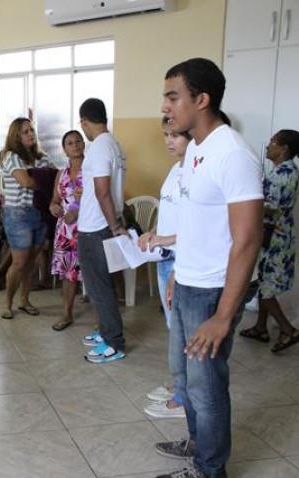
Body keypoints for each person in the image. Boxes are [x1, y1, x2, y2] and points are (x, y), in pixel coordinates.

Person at [155, 58, 263, 478]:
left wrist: (222, 316)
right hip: (190, 281)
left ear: (202, 100)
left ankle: (209, 470)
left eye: (172, 96)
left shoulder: (234, 154)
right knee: (186, 379)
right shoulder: (196, 147)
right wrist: (179, 274)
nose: (165, 106)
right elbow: (195, 222)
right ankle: (198, 446)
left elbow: (248, 239)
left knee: (206, 385)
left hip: (215, 291)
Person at [138, 118, 191, 420]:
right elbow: (170, 212)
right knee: (175, 329)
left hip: (180, 259)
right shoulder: (175, 169)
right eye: (166, 136)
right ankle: (179, 387)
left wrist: (166, 239)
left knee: (182, 334)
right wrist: (153, 232)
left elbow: (195, 227)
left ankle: (184, 398)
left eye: (176, 136)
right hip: (166, 256)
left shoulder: (195, 173)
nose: (169, 141)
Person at [76, 98, 128, 363]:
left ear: (84, 121)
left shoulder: (98, 147)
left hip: (96, 227)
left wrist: (115, 226)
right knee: (101, 285)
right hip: (104, 223)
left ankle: (113, 343)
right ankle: (105, 330)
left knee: (99, 287)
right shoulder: (114, 144)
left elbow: (102, 190)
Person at [239, 129, 299, 352]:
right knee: (265, 283)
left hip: (273, 237)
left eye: (273, 142)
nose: (268, 146)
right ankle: (260, 327)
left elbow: (270, 210)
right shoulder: (279, 171)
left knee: (265, 288)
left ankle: (288, 329)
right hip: (273, 235)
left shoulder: (285, 174)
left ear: (284, 149)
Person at [0, 117, 50, 319]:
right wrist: (46, 181)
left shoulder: (42, 157)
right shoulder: (10, 156)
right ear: (16, 136)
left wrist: (49, 181)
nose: (31, 134)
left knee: (30, 262)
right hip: (18, 214)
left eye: (32, 130)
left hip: (39, 213)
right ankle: (7, 304)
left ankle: (24, 301)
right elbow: (26, 181)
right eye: (25, 131)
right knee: (19, 263)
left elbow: (56, 178)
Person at [49, 130, 85, 331]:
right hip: (65, 231)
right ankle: (67, 314)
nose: (76, 145)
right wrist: (53, 207)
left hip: (87, 226)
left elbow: (100, 197)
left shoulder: (92, 169)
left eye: (78, 141)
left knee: (93, 273)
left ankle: (103, 319)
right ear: (64, 149)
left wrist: (78, 211)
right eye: (70, 143)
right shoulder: (61, 174)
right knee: (68, 273)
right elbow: (55, 200)